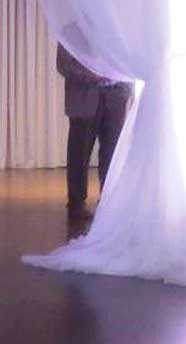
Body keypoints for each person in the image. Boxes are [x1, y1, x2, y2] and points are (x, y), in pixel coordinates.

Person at [57, 44, 131, 218]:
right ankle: (76, 203)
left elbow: (129, 57)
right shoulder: (72, 32)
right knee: (79, 153)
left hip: (116, 97)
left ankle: (108, 201)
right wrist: (92, 75)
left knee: (112, 153)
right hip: (84, 97)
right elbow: (63, 64)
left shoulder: (118, 31)